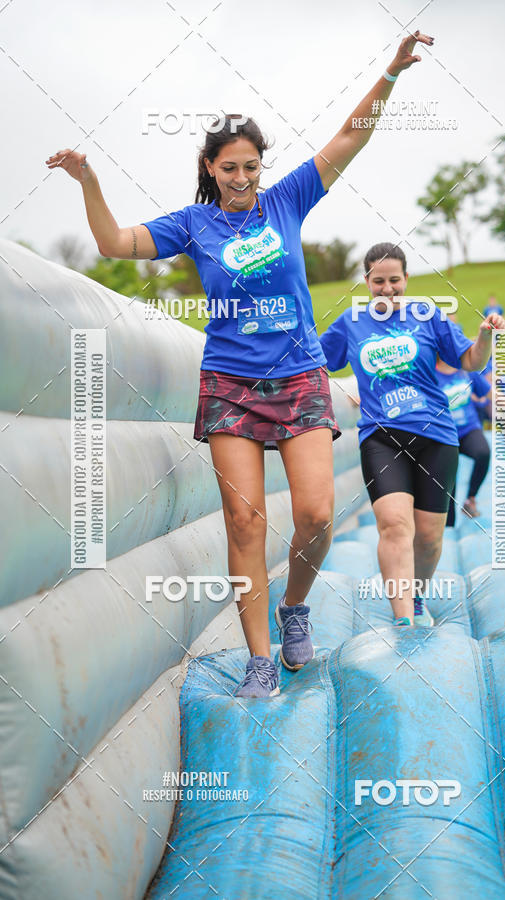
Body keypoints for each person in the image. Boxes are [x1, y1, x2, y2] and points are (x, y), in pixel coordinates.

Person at [46, 31, 436, 698]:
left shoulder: (287, 200)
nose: (242, 178)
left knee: (315, 515)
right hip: (229, 383)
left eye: (252, 166)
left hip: (300, 375)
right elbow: (113, 242)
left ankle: (294, 608)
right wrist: (89, 181)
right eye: (230, 168)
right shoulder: (192, 224)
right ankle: (259, 658)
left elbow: (352, 136)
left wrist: (392, 74)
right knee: (245, 521)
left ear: (262, 166)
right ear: (210, 167)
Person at [319, 243, 505, 628]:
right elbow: (316, 361)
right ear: (366, 281)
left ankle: (417, 595)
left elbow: (471, 360)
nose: (387, 289)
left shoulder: (429, 316)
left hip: (436, 436)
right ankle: (403, 619)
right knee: (394, 525)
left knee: (429, 538)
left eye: (395, 280)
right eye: (378, 281)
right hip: (381, 437)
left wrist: (485, 336)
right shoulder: (350, 322)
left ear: (406, 278)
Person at [434, 360, 491, 522]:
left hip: (468, 428)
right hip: (444, 434)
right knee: (449, 479)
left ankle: (470, 499)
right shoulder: (430, 372)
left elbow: (489, 392)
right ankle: (448, 520)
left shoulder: (467, 370)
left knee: (483, 453)